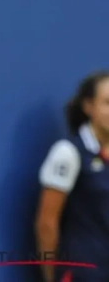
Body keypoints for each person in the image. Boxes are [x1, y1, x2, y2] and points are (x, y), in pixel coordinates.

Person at [36, 71, 109, 282]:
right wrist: (52, 277)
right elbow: (46, 223)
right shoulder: (68, 153)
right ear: (88, 106)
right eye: (107, 103)